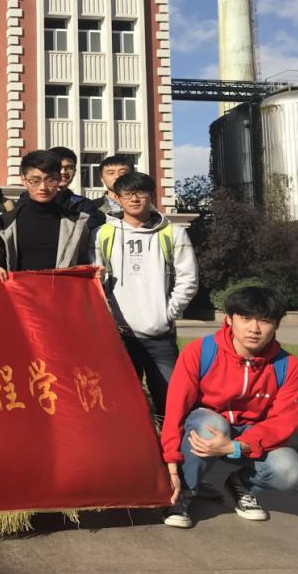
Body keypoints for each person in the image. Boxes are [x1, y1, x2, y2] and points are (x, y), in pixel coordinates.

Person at [161, 286, 298, 529]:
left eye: (265, 320)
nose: (254, 328)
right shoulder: (200, 352)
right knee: (212, 424)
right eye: (245, 318)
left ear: (277, 324)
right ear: (229, 319)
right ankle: (183, 493)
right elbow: (176, 408)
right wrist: (171, 466)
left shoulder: (290, 368)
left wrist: (236, 446)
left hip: (249, 437)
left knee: (289, 470)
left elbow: (281, 424)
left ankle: (243, 485)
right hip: (204, 426)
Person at [90, 172, 198, 418]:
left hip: (160, 335)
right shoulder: (102, 234)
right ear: (117, 198)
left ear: (151, 195)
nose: (135, 199)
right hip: (120, 336)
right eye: (128, 194)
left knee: (170, 402)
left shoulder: (173, 233)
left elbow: (188, 279)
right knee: (122, 406)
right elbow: (94, 283)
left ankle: (169, 442)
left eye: (141, 193)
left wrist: (167, 314)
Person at [0, 150, 90, 275]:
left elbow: (84, 264)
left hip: (60, 286)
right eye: (35, 180)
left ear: (59, 179)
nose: (43, 187)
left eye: (51, 180)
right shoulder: (5, 223)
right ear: (23, 179)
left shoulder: (77, 223)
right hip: (18, 286)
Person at [49, 146, 99, 218]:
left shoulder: (85, 205)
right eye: (58, 167)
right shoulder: (33, 202)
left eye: (69, 168)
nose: (63, 172)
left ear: (75, 171)